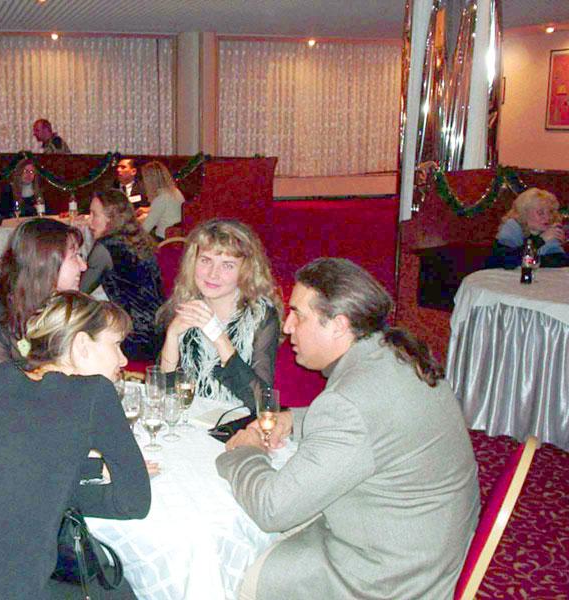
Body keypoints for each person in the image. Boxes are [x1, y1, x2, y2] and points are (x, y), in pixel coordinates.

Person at [217, 257, 480, 600]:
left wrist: (245, 452)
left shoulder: (349, 403)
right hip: (425, 546)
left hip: (387, 579)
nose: (288, 327)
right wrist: (293, 419)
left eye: (298, 315)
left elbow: (272, 509)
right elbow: (375, 424)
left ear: (339, 325)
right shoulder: (393, 353)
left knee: (233, 572)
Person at [0, 291, 152, 600]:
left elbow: (21, 465)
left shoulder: (2, 379)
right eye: (116, 345)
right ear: (82, 346)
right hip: (8, 594)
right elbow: (133, 503)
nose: (123, 359)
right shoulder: (95, 393)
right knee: (116, 588)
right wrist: (66, 491)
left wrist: (75, 476)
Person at [158, 219, 282, 410]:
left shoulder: (261, 315)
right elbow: (163, 393)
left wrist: (219, 338)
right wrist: (172, 336)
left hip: (237, 420)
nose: (213, 274)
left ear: (246, 270)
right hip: (190, 417)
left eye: (227, 265)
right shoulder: (185, 305)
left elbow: (262, 403)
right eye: (206, 260)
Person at [0, 219, 86, 376]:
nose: (84, 266)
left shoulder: (74, 308)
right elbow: (2, 388)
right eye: (75, 256)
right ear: (44, 263)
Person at [81, 190, 164, 361]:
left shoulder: (105, 247)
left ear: (110, 218)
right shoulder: (138, 239)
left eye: (94, 215)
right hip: (159, 331)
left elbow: (79, 293)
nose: (89, 221)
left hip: (134, 337)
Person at [487, 187, 568, 268]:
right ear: (524, 213)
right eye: (540, 213)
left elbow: (559, 261)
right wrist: (541, 240)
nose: (548, 217)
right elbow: (507, 260)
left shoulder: (548, 231)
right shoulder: (512, 227)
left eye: (550, 212)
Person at [140, 160, 184, 239]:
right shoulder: (176, 191)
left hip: (163, 239)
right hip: (177, 237)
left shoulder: (160, 199)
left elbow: (145, 229)